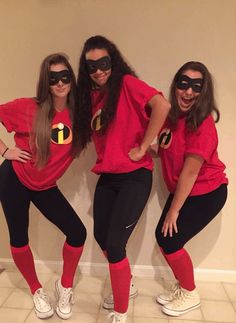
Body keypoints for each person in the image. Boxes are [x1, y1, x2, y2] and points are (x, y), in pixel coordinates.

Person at [74, 35, 170, 323]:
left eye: (104, 63)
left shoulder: (127, 84)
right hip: (109, 176)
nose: (99, 71)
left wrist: (143, 146)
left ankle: (121, 311)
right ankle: (125, 284)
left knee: (115, 244)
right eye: (92, 67)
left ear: (113, 62)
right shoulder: (91, 98)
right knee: (102, 236)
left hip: (134, 177)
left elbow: (162, 106)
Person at [0, 53, 87, 320]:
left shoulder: (80, 115)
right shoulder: (29, 107)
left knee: (77, 233)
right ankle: (37, 289)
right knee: (19, 237)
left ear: (71, 79)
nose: (60, 83)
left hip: (44, 185)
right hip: (14, 179)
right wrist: (5, 151)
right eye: (53, 78)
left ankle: (65, 285)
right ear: (45, 82)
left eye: (64, 77)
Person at [154, 61, 228, 317]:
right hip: (186, 190)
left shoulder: (202, 124)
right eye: (183, 84)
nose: (188, 92)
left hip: (207, 192)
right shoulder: (173, 118)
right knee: (164, 238)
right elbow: (164, 148)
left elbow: (190, 171)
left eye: (196, 87)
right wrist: (141, 150)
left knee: (169, 240)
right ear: (175, 86)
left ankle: (190, 292)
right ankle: (182, 286)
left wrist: (174, 211)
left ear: (204, 91)